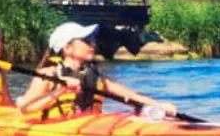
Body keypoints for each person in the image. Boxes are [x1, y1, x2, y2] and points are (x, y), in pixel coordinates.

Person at [19, 22, 175, 120]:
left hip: (91, 127)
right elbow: (25, 108)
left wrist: (159, 105)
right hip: (58, 132)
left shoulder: (96, 77)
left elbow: (131, 96)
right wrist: (61, 91)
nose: (93, 44)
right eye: (87, 40)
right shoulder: (48, 75)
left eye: (92, 39)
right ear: (67, 48)